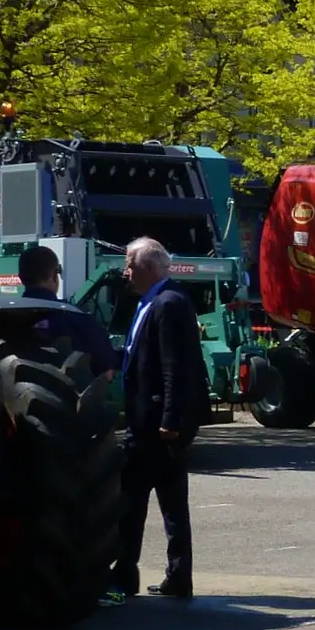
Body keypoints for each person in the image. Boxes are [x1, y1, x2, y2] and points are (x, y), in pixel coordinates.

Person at [112, 237, 207, 601]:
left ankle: (124, 578)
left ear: (149, 268)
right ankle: (177, 577)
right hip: (152, 422)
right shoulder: (154, 301)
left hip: (154, 426)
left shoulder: (168, 303)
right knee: (170, 504)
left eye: (130, 265)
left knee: (132, 504)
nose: (125, 272)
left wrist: (171, 420)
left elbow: (174, 367)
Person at [16, 244, 118, 382]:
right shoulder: (76, 317)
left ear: (20, 277)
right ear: (54, 275)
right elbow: (107, 367)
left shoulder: (5, 318)